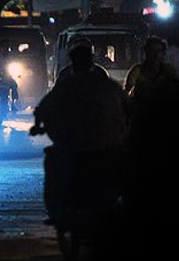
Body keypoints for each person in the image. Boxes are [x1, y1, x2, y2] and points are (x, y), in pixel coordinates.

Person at [33, 45, 128, 226]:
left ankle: (55, 213)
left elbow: (43, 109)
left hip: (75, 146)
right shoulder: (107, 85)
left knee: (53, 167)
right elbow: (128, 107)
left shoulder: (66, 86)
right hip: (104, 146)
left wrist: (39, 126)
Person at [124, 38, 179, 116]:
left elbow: (178, 90)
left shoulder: (168, 70)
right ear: (146, 52)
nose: (155, 55)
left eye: (159, 51)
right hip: (142, 114)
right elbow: (126, 93)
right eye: (151, 51)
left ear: (163, 53)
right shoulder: (137, 70)